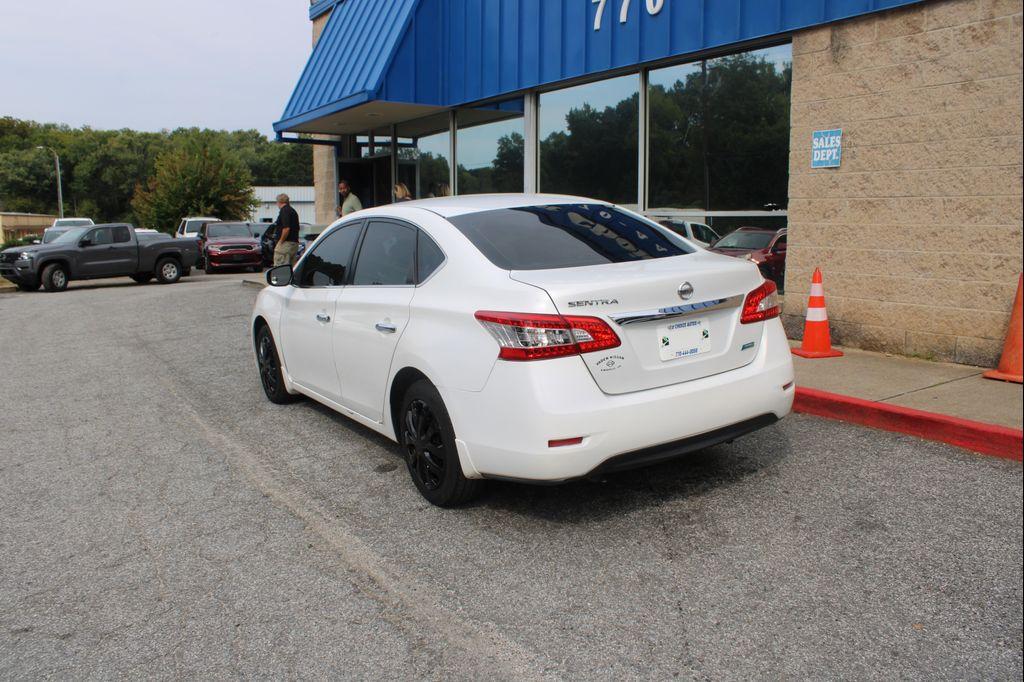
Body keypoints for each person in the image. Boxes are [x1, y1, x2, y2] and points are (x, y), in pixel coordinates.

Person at [272, 193, 300, 267]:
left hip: (286, 244)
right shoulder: (292, 211)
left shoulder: (284, 210)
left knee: (280, 267)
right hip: (294, 243)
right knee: (290, 268)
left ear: (279, 202)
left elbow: (286, 228)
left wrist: (280, 241)